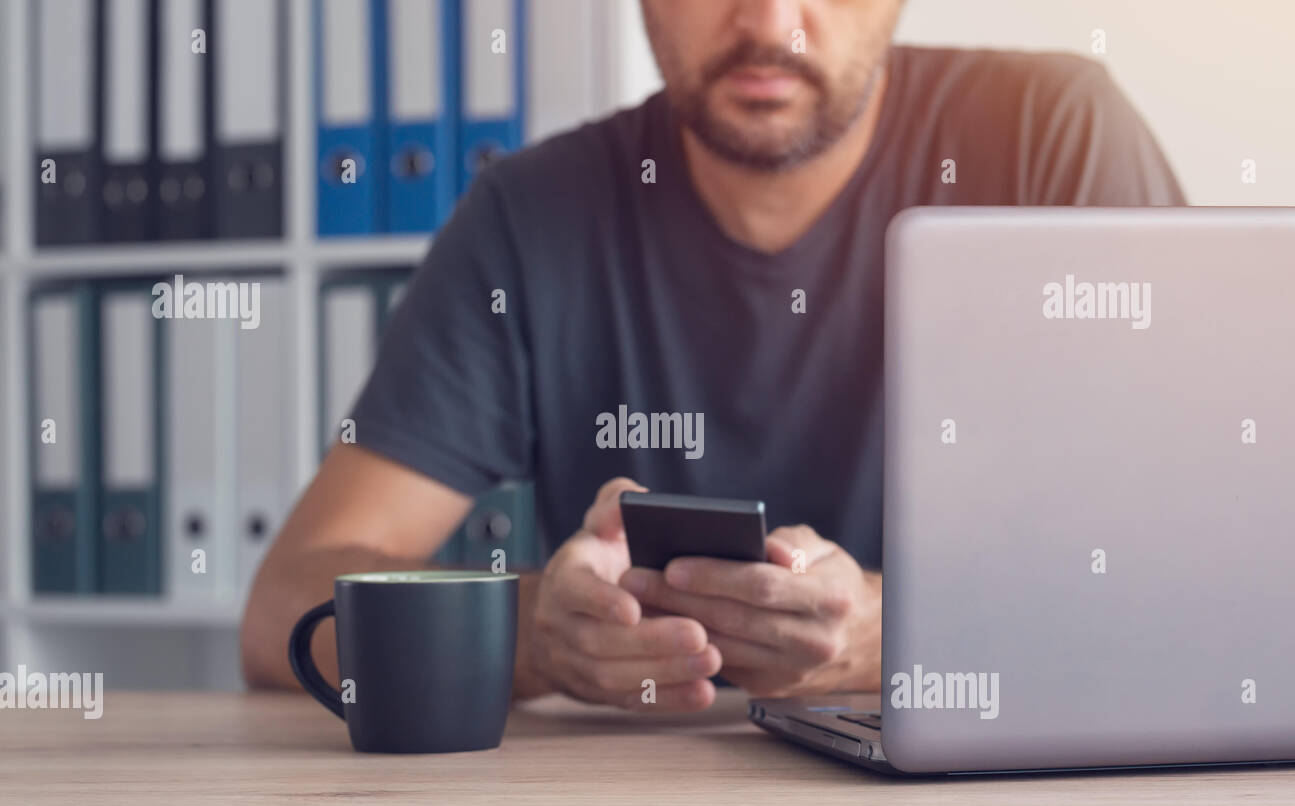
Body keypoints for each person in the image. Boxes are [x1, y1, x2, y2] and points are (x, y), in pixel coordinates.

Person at [241, 0, 1183, 709]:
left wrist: (892, 633)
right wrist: (535, 633)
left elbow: (1207, 575)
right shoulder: (529, 218)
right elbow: (285, 604)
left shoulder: (1053, 141)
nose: (770, 24)